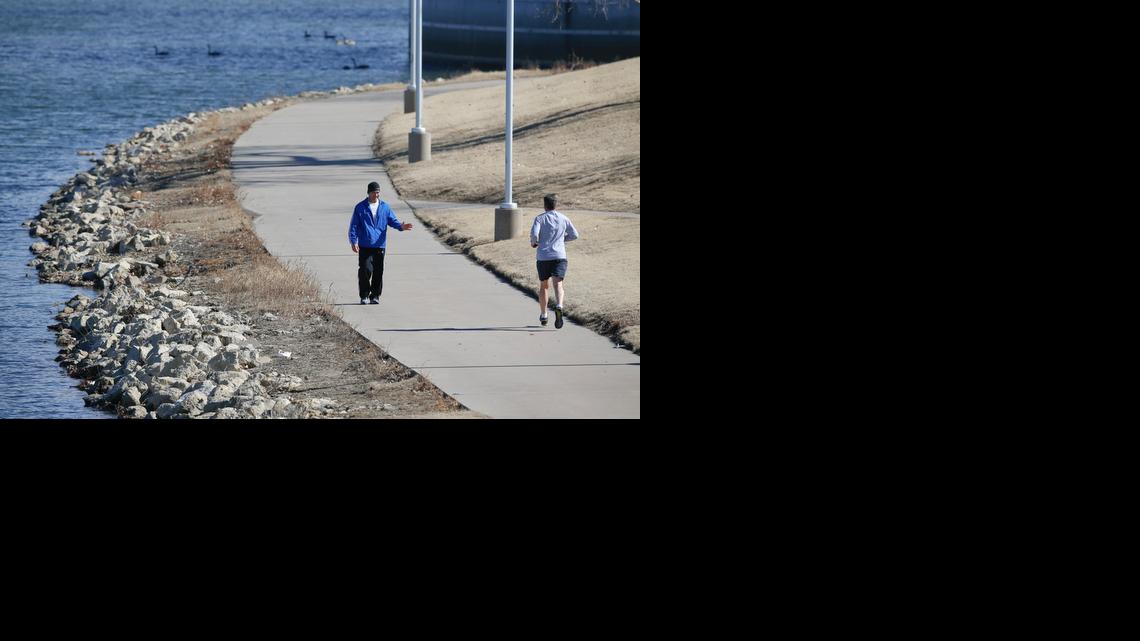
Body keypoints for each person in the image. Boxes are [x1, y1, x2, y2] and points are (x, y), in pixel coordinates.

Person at [349, 181, 412, 305]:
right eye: (374, 192)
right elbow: (354, 226)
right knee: (365, 270)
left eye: (378, 192)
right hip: (365, 245)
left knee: (378, 271)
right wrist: (353, 241)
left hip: (379, 245)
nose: (376, 195)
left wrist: (401, 226)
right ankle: (364, 295)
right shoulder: (360, 207)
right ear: (368, 193)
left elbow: (392, 221)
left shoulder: (385, 207)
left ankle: (375, 295)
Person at [530, 193, 578, 328]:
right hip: (559, 256)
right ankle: (559, 305)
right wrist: (562, 240)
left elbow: (534, 235)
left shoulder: (539, 219)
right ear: (555, 204)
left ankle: (544, 314)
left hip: (543, 257)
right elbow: (575, 235)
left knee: (544, 286)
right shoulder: (564, 218)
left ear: (545, 205)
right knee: (559, 284)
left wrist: (534, 243)